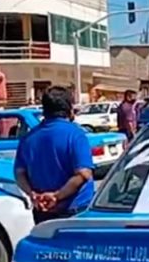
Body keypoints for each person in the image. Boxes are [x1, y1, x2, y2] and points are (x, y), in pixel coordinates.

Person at [14, 86, 94, 224]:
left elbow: (19, 173)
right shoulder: (75, 135)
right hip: (75, 211)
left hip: (42, 212)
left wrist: (32, 194)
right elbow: (83, 174)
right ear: (69, 108)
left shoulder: (28, 138)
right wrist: (56, 196)